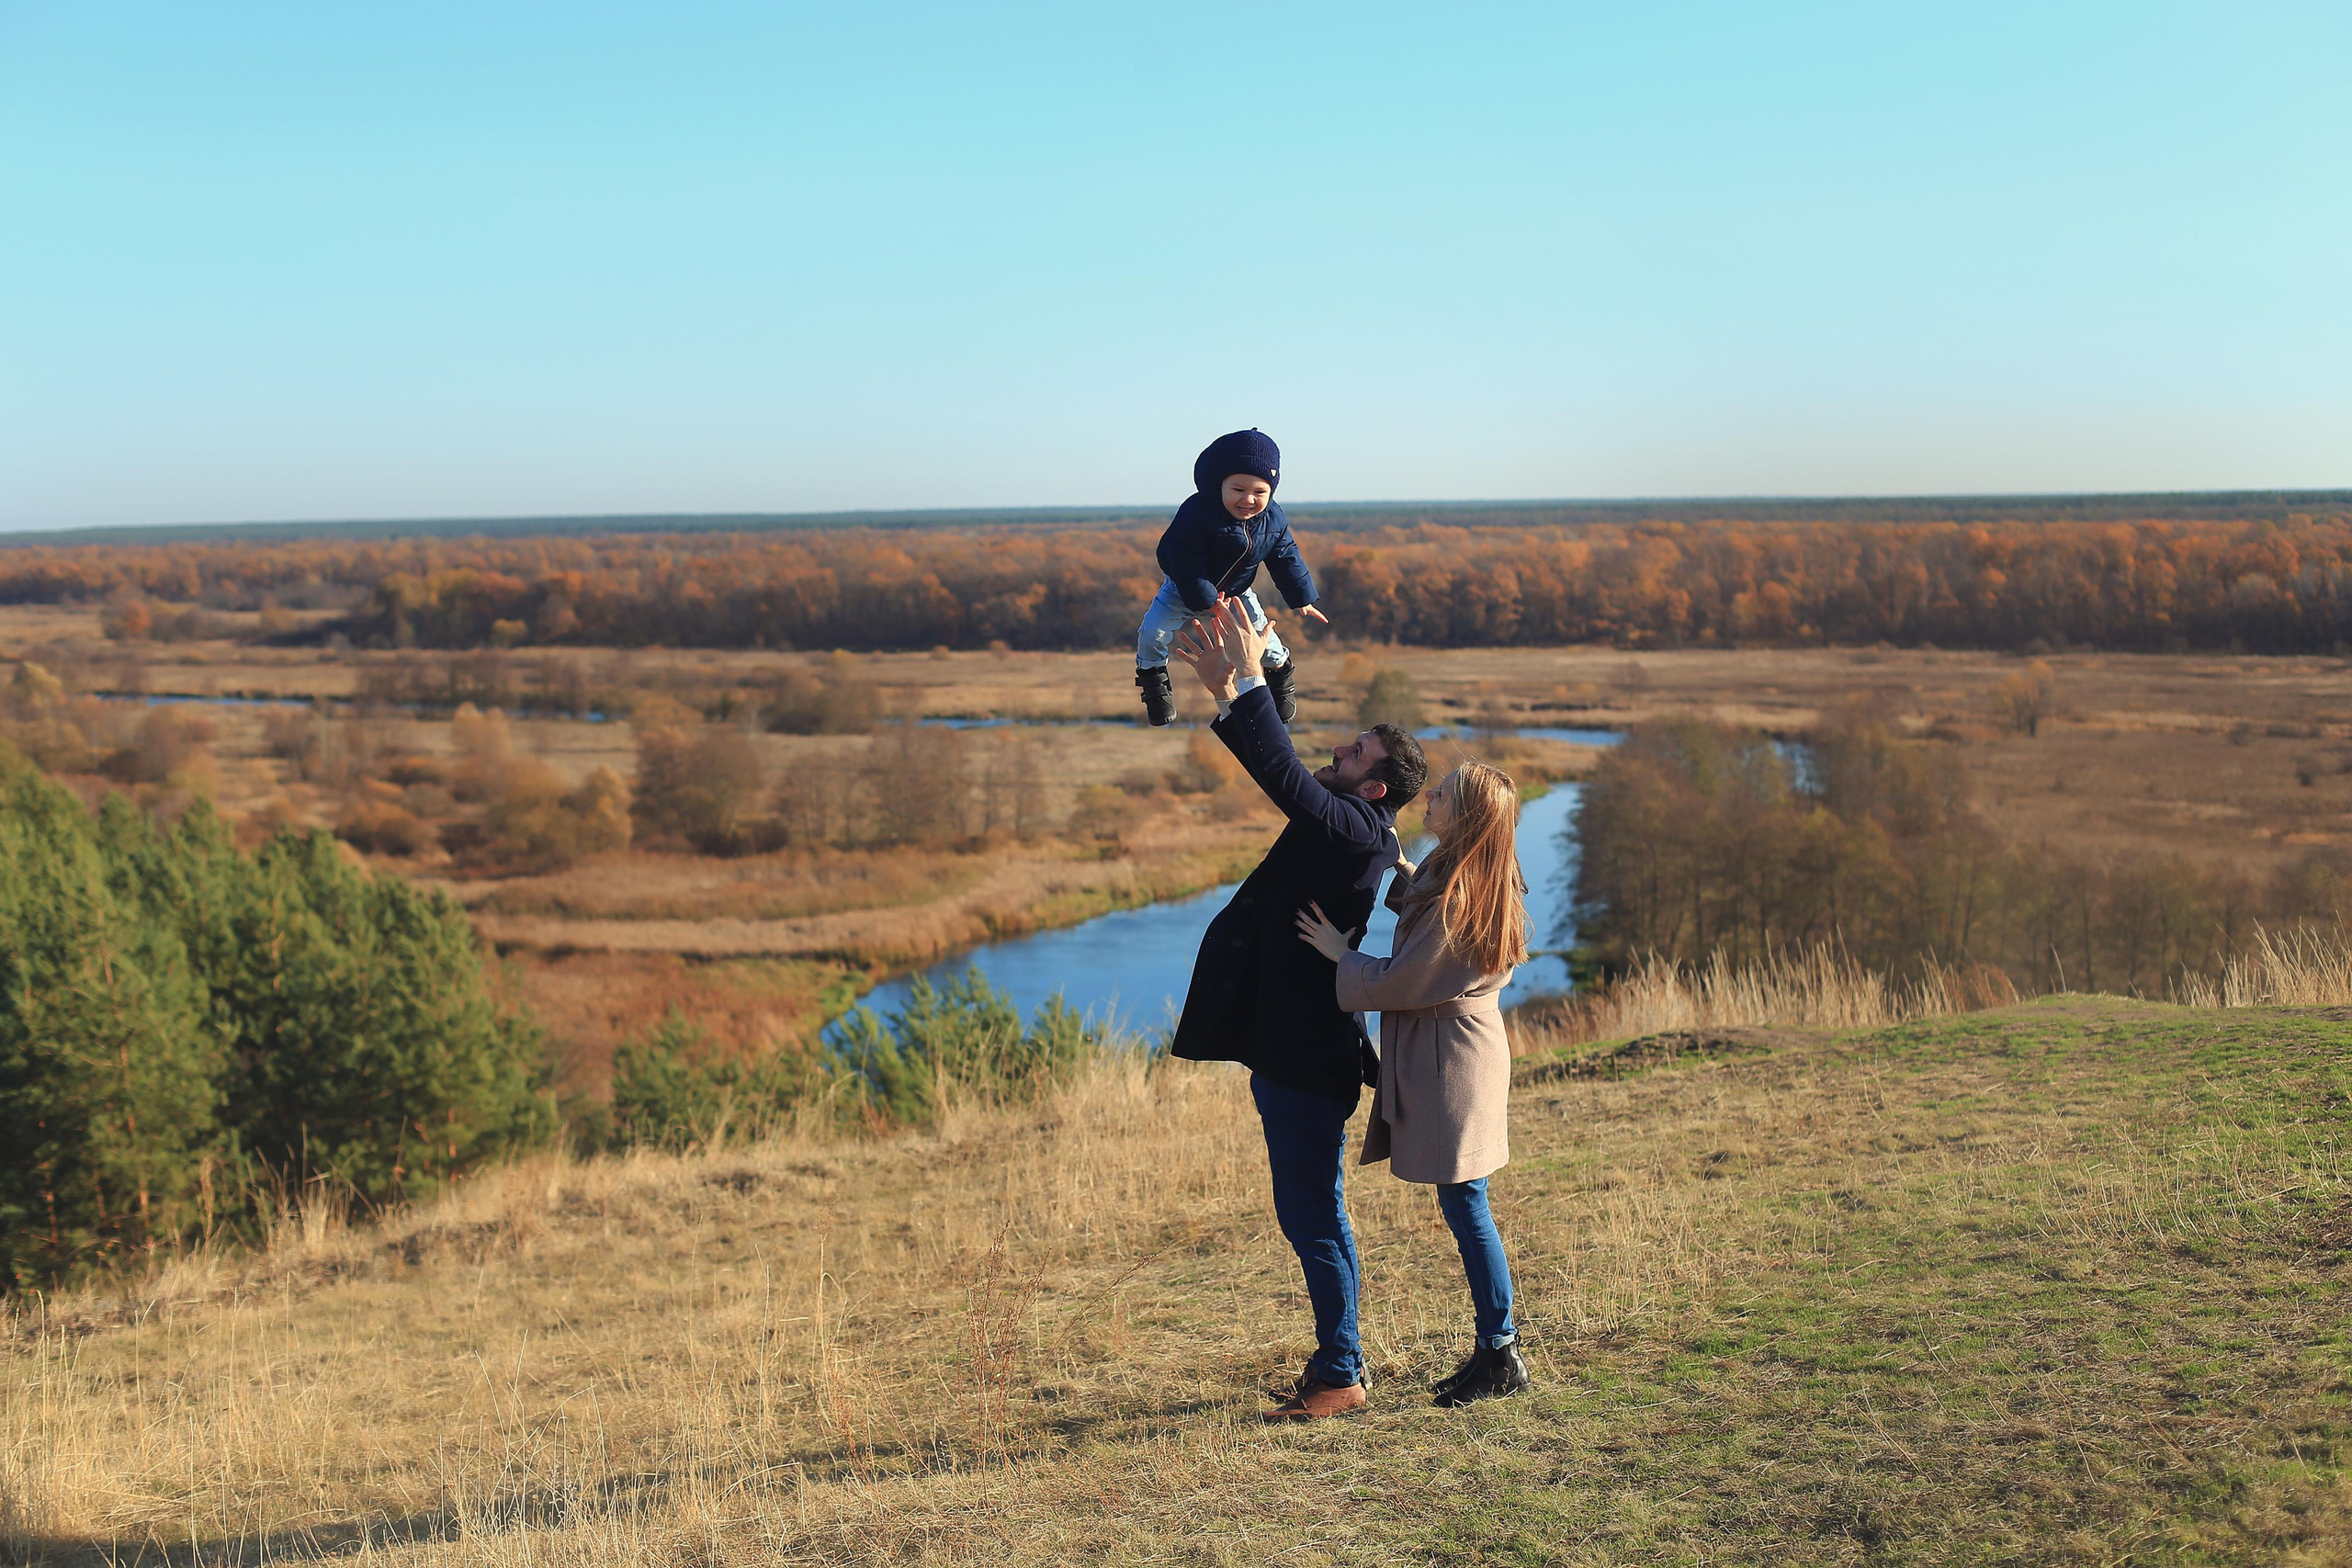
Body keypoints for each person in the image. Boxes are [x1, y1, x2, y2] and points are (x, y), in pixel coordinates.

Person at [1167, 598, 1426, 1421]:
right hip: (1292, 1053)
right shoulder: (1347, 820)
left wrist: (1246, 680)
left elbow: (1283, 774)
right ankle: (1339, 1362)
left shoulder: (1355, 831)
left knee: (1313, 1218)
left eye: (1356, 752)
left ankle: (1340, 1372)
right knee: (1315, 1214)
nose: (1338, 751)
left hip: (1309, 1062)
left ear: (1376, 785)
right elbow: (1277, 757)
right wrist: (1246, 680)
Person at [1295, 761, 1534, 1407]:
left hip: (1453, 1060)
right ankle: (1495, 1347)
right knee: (1465, 1201)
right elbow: (1428, 915)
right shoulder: (1467, 877)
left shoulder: (1461, 894)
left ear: (1468, 817)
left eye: (1443, 794)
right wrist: (1400, 869)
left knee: (1466, 1203)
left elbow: (1406, 977)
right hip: (1456, 1054)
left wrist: (1339, 954)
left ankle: (1501, 1350)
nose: (1429, 796)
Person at [1136, 429, 1329, 728]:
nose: (1248, 499)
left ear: (1271, 492)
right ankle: (1154, 686)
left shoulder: (1273, 519)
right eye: (1238, 489)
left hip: (1237, 591)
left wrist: (1302, 597)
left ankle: (1280, 675)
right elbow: (1183, 563)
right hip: (1182, 589)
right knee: (1153, 634)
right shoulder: (1196, 514)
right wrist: (1208, 601)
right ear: (1219, 484)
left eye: (1259, 492)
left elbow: (1285, 555)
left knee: (1264, 640)